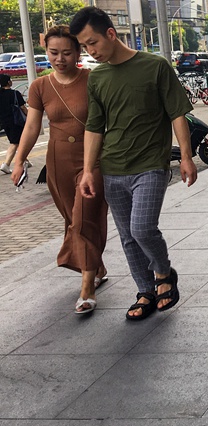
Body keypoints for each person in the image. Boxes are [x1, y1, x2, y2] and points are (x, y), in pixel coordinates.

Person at [70, 7, 197, 320]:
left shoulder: (154, 66)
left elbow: (177, 113)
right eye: (84, 46)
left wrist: (186, 156)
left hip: (151, 164)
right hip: (112, 168)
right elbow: (94, 127)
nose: (90, 51)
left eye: (93, 43)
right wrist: (88, 171)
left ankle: (164, 273)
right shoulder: (97, 77)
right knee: (127, 236)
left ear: (111, 34)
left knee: (142, 228)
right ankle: (145, 291)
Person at [10, 26, 109, 314]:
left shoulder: (93, 79)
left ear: (78, 52)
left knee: (84, 218)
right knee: (71, 219)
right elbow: (32, 127)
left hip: (93, 159)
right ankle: (97, 267)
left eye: (67, 52)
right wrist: (19, 160)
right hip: (58, 161)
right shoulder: (40, 86)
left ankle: (87, 288)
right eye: (53, 53)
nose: (60, 59)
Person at [0, 74, 28, 174]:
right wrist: (29, 116)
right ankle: (6, 164)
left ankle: (25, 160)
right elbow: (23, 107)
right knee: (14, 143)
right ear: (8, 82)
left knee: (18, 140)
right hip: (16, 121)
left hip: (4, 122)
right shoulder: (15, 93)